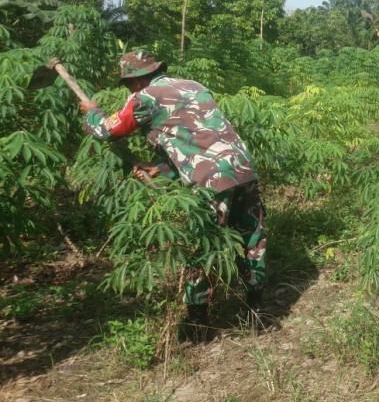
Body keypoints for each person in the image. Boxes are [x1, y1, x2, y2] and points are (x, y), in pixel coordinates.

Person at [79, 50, 267, 338]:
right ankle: (257, 313)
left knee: (201, 247)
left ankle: (198, 326)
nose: (128, 89)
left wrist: (91, 112)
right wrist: (159, 168)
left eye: (127, 84)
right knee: (251, 238)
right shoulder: (194, 86)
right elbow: (194, 134)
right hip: (242, 168)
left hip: (208, 179)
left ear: (136, 79)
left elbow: (109, 130)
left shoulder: (145, 96)